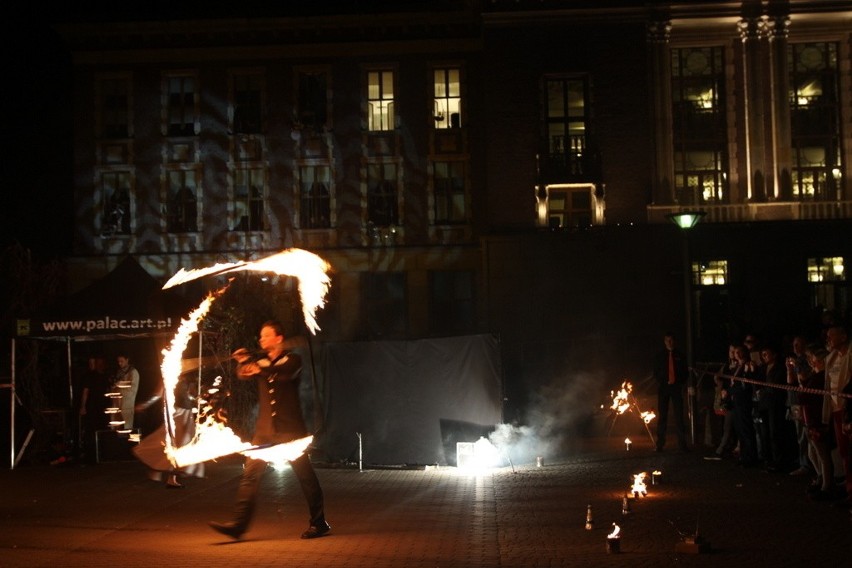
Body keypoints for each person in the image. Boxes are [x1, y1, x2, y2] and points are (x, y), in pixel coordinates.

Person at [208, 320, 330, 540]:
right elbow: (243, 374)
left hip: (290, 432)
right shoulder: (261, 361)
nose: (261, 340)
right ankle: (238, 525)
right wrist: (244, 361)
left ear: (278, 338)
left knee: (305, 477)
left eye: (266, 336)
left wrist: (257, 366)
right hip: (264, 432)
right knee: (250, 476)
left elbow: (283, 374)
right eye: (260, 336)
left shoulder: (293, 360)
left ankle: (319, 523)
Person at [133, 374, 204, 488]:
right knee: (174, 444)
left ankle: (168, 476)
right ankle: (159, 470)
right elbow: (158, 394)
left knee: (183, 444)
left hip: (187, 414)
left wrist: (197, 397)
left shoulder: (188, 377)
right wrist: (145, 405)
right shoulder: (168, 372)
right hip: (176, 414)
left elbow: (192, 394)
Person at [799, 345, 834, 500]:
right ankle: (821, 479)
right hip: (810, 419)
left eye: (815, 361)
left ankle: (827, 485)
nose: (812, 363)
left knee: (822, 454)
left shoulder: (821, 378)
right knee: (814, 453)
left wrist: (802, 387)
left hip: (817, 419)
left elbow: (805, 397)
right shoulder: (816, 376)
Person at [822, 324, 852, 509]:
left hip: (848, 409)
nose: (828, 340)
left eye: (832, 336)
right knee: (845, 453)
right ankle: (850, 491)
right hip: (836, 410)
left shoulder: (850, 355)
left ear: (843, 336)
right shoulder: (830, 359)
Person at [652, 332, 689, 452]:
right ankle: (660, 443)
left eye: (671, 340)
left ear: (674, 341)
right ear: (664, 341)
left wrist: (680, 382)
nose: (669, 342)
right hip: (664, 388)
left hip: (676, 387)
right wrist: (662, 381)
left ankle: (682, 444)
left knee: (679, 415)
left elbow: (685, 372)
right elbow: (655, 372)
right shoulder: (660, 356)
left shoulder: (680, 356)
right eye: (667, 340)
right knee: (662, 416)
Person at [77, 355, 109, 463]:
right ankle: (94, 454)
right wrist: (83, 406)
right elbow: (85, 392)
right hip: (94, 407)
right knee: (93, 429)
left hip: (99, 407)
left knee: (98, 428)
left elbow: (86, 392)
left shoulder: (103, 376)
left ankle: (99, 453)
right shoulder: (91, 376)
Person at [111, 354, 140, 430]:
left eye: (122, 361)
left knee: (127, 424)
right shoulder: (119, 372)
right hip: (117, 402)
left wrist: (119, 384)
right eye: (118, 361)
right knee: (115, 423)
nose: (120, 363)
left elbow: (133, 386)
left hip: (127, 402)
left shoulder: (133, 372)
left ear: (127, 360)